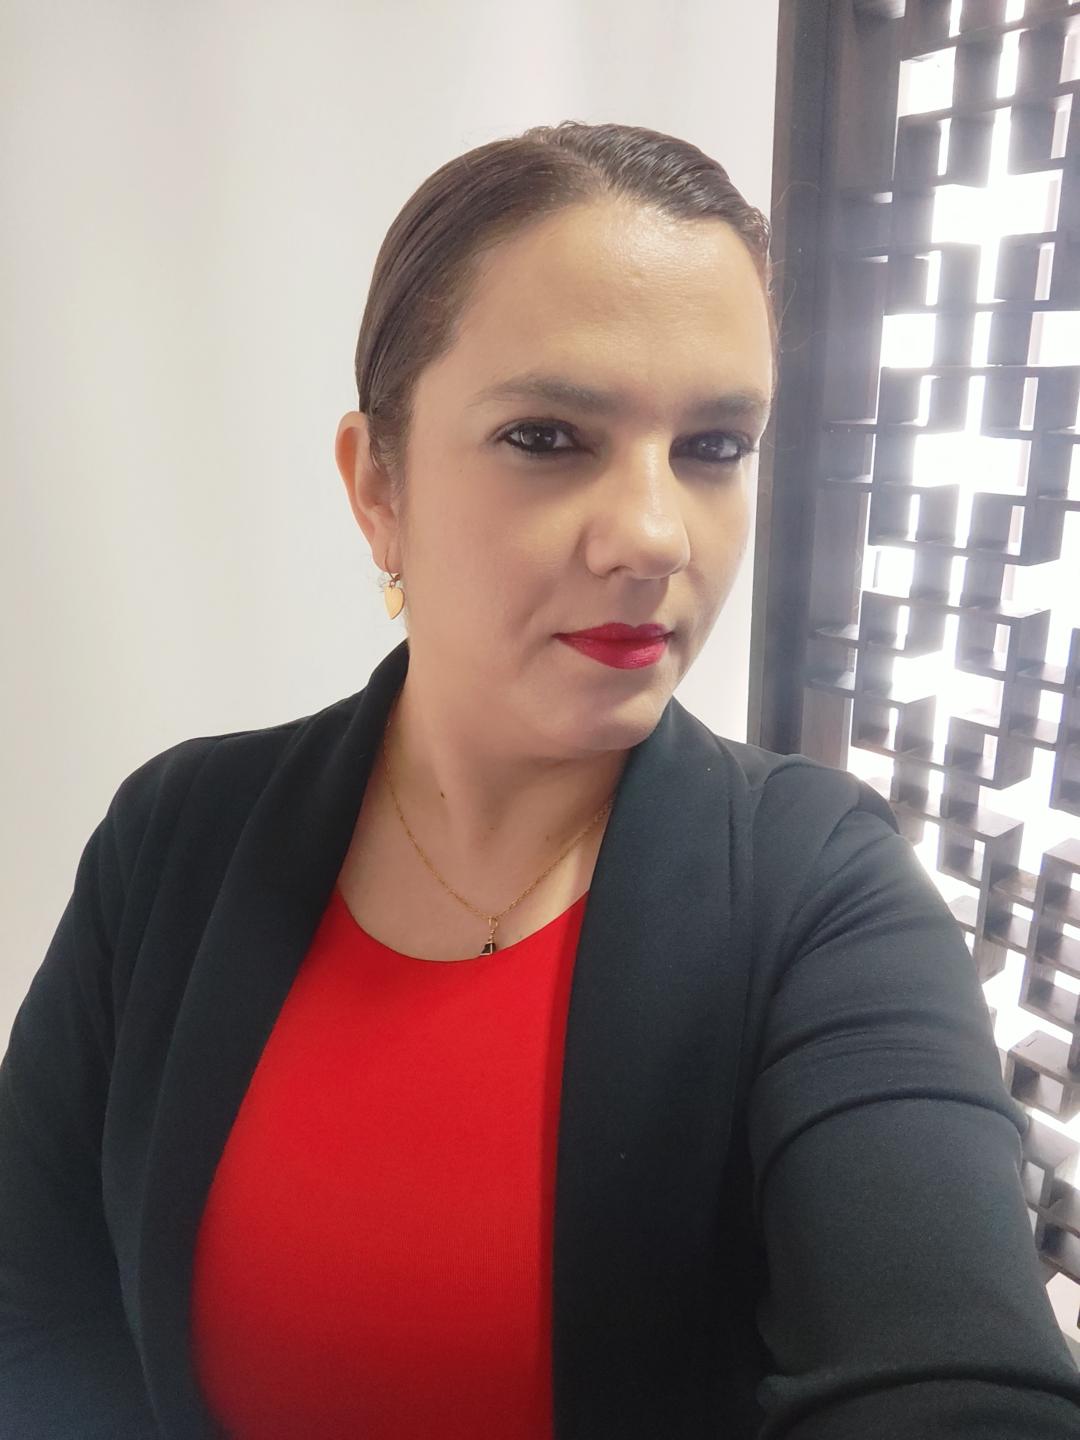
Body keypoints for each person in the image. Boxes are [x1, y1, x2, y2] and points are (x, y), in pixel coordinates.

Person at [2, 120, 1079, 1440]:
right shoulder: (178, 836)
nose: (655, 536)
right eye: (548, 436)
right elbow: (35, 1298)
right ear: (377, 485)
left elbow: (953, 1370)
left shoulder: (821, 894)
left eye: (715, 446)